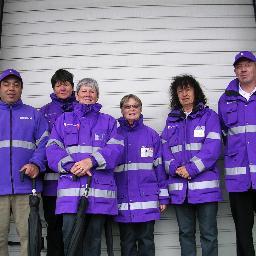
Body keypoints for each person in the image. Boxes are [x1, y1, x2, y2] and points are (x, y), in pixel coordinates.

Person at [46, 78, 124, 256]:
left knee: (93, 243)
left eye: (92, 91)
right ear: (77, 95)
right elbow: (51, 149)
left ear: (97, 96)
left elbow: (117, 149)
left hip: (99, 194)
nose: (88, 94)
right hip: (71, 194)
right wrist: (71, 165)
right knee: (70, 242)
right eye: (84, 91)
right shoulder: (63, 120)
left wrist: (91, 161)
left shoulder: (109, 122)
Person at [161, 75, 222, 256]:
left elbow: (213, 148)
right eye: (180, 91)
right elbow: (164, 149)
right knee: (185, 234)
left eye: (188, 89)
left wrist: (191, 168)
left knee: (209, 234)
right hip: (180, 189)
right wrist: (174, 168)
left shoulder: (209, 116)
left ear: (195, 91)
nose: (184, 94)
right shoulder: (171, 120)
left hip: (205, 188)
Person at [0, 69, 48, 256]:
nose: (11, 88)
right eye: (6, 84)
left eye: (16, 84)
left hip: (26, 188)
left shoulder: (34, 115)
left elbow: (46, 142)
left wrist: (36, 163)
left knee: (30, 238)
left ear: (21, 89)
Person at [114, 94, 169, 256]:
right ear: (122, 110)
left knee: (147, 242)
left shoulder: (151, 135)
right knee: (127, 243)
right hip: (123, 202)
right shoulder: (114, 135)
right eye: (127, 106)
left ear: (141, 109)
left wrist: (163, 197)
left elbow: (159, 167)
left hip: (147, 201)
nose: (132, 109)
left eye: (135, 106)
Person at [218, 51, 256, 256]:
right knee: (243, 232)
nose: (243, 69)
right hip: (239, 178)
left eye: (247, 64)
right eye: (239, 66)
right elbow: (224, 135)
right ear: (235, 71)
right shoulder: (225, 99)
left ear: (255, 67)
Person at [40, 69, 76, 256]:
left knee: (76, 231)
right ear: (54, 88)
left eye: (66, 83)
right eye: (58, 84)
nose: (62, 87)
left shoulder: (80, 107)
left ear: (72, 86)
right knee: (54, 228)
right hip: (51, 185)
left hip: (76, 183)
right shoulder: (44, 112)